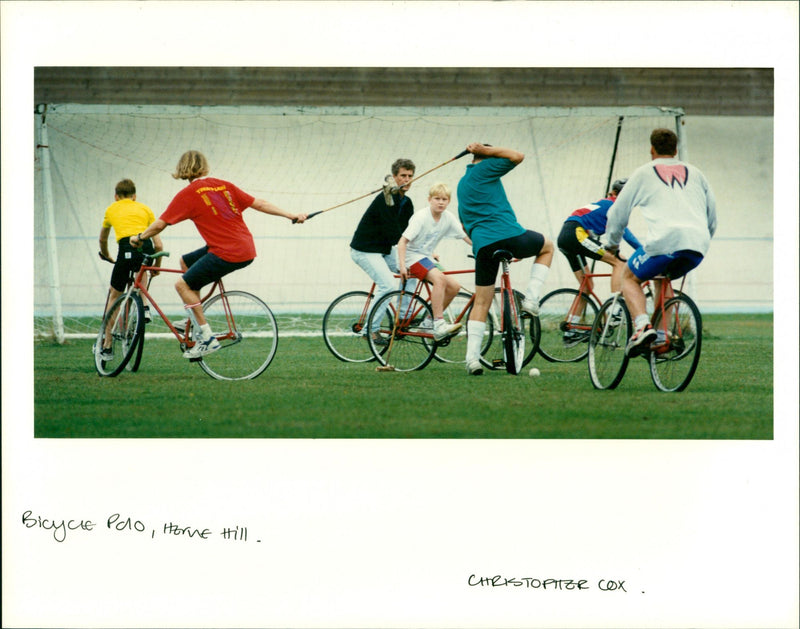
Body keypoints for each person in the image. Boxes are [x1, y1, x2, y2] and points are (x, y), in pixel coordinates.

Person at [130, 150, 307, 359]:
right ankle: (193, 320)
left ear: (182, 170)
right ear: (205, 166)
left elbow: (161, 224)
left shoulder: (189, 193)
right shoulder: (224, 185)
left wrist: (140, 237)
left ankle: (206, 338)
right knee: (185, 261)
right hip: (243, 247)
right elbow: (259, 203)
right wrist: (291, 214)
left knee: (181, 285)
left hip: (227, 251)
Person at [604, 128, 717, 356]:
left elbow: (618, 213)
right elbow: (712, 216)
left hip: (665, 242)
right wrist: (701, 240)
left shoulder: (644, 172)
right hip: (697, 244)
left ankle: (642, 327)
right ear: (676, 150)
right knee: (662, 279)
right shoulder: (696, 173)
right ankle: (662, 336)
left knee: (628, 276)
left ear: (651, 149)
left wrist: (612, 244)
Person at [457, 143, 555, 375]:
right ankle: (530, 299)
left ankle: (472, 359)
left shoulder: (462, 184)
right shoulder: (486, 167)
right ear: (486, 157)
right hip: (510, 235)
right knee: (548, 247)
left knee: (481, 301)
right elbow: (517, 155)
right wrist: (486, 150)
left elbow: (464, 224)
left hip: (483, 245)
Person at [349, 158, 416, 344]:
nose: (407, 179)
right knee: (388, 285)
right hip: (365, 249)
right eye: (403, 175)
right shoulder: (385, 198)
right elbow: (393, 232)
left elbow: (409, 232)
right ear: (394, 177)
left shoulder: (407, 202)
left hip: (384, 250)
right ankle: (370, 329)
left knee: (413, 271)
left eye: (410, 176)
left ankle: (403, 317)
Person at [397, 182, 472, 341]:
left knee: (454, 287)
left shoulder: (448, 217)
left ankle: (428, 322)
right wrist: (403, 266)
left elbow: (467, 238)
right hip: (413, 257)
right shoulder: (421, 217)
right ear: (429, 200)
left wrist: (485, 248)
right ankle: (439, 324)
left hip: (427, 258)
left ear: (449, 201)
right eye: (437, 198)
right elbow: (402, 242)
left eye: (444, 199)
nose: (440, 202)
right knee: (439, 279)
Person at [98, 179, 163, 338]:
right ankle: (145, 308)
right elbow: (159, 246)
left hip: (125, 249)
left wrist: (107, 255)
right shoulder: (145, 209)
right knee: (141, 270)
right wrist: (156, 267)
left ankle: (106, 344)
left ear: (116, 197)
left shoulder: (111, 209)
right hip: (145, 246)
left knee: (115, 295)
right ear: (134, 196)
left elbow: (102, 240)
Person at [557, 178, 642, 298]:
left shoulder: (605, 203)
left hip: (565, 236)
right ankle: (615, 308)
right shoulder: (615, 206)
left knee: (586, 287)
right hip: (576, 233)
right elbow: (627, 235)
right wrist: (644, 251)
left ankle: (573, 317)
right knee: (619, 261)